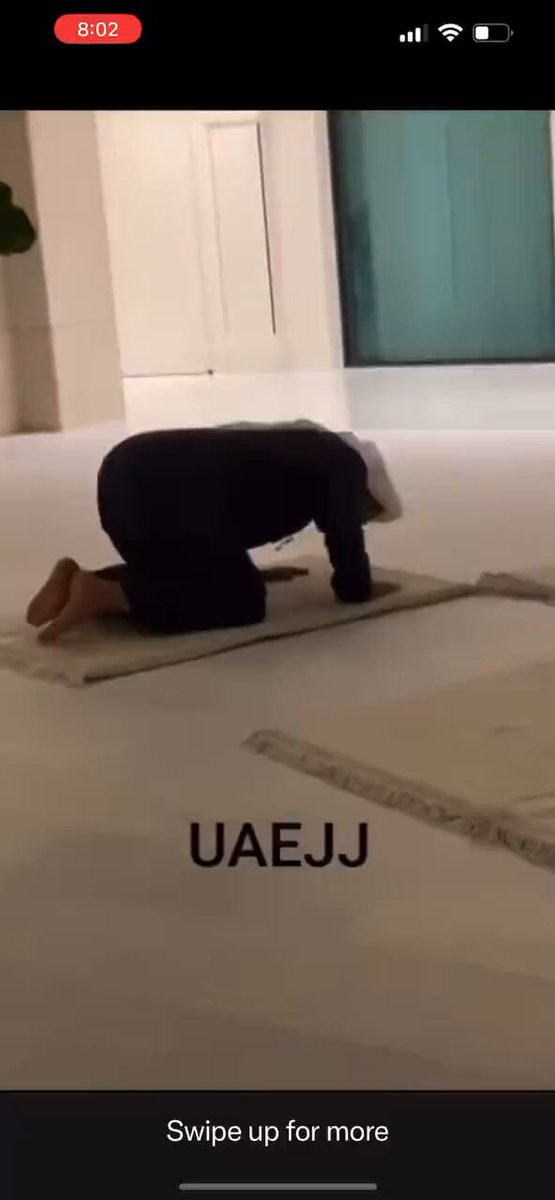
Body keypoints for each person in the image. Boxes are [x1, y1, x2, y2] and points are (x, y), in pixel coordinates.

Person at [26, 421, 402, 643]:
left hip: (125, 470)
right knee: (242, 601)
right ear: (367, 490)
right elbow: (345, 544)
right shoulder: (345, 465)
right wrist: (360, 590)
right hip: (168, 494)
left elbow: (231, 490)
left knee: (183, 571)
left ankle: (77, 580)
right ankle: (108, 594)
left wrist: (245, 567)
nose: (361, 520)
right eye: (367, 513)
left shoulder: (298, 443)